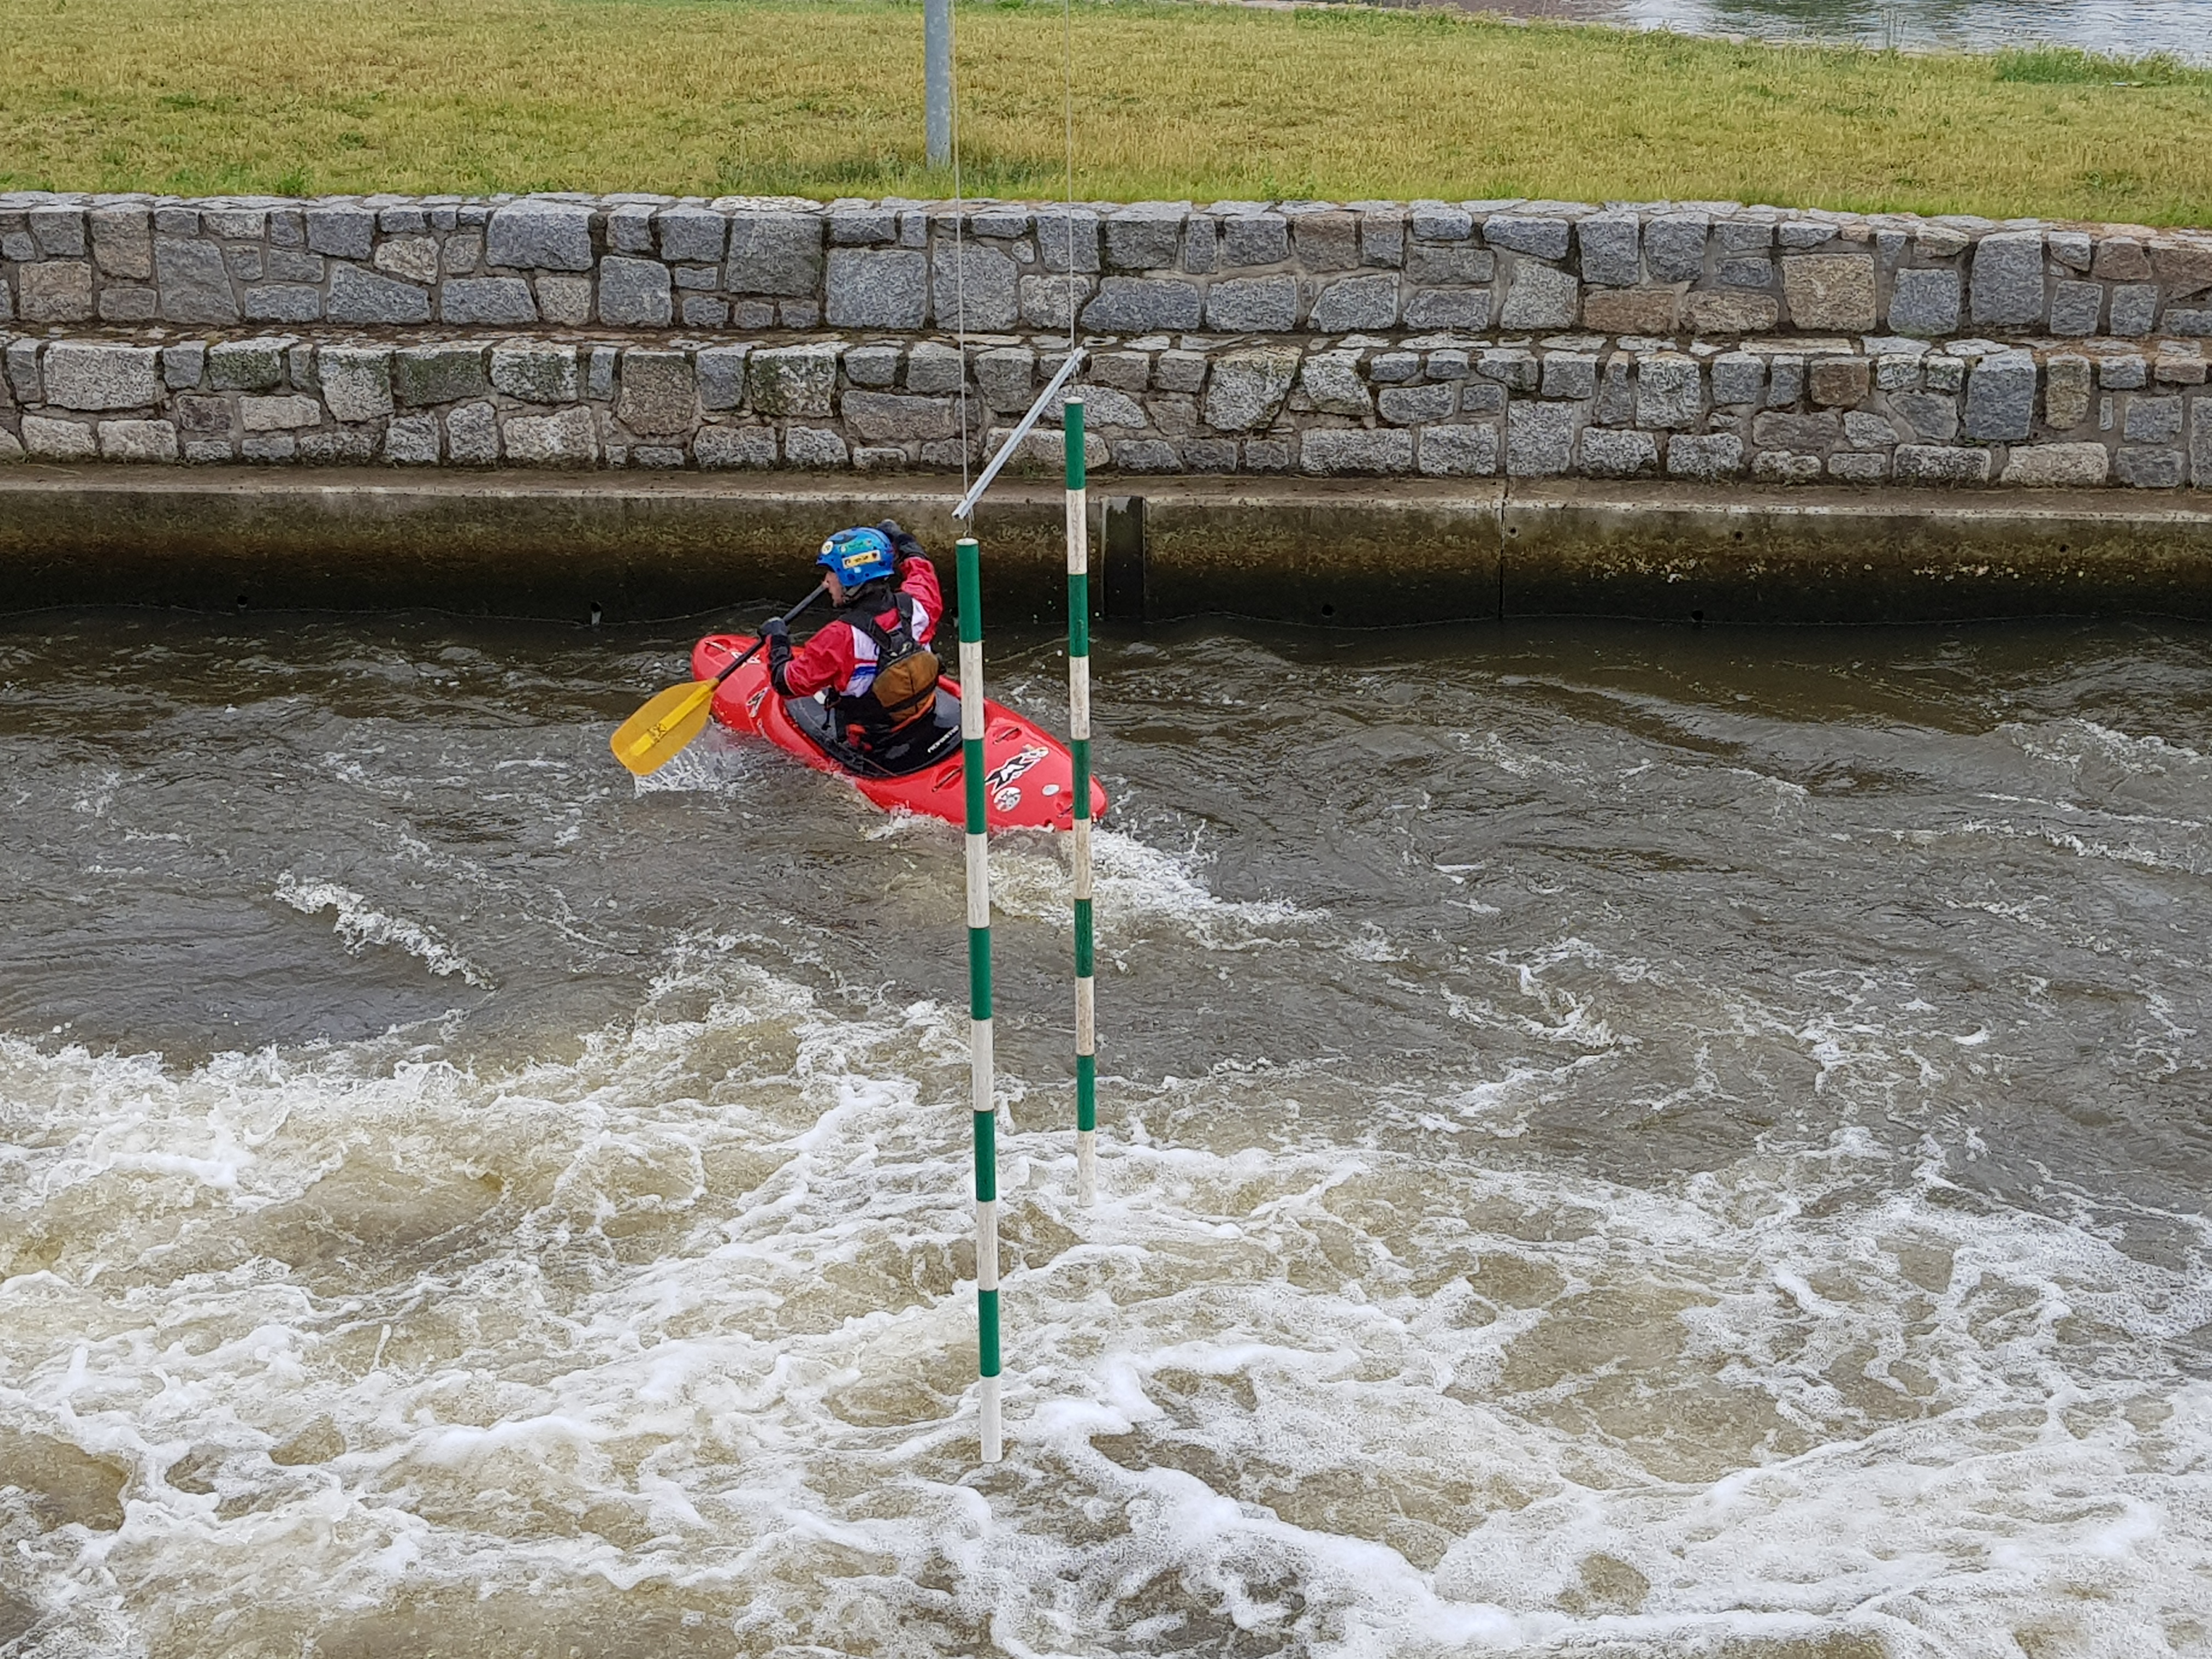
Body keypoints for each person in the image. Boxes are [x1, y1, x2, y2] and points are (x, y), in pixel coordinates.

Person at [760, 522, 954, 774]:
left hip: (877, 744)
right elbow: (919, 563)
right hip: (928, 714)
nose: (826, 583)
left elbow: (786, 684)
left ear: (849, 579)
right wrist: (899, 537)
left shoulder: (838, 638)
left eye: (831, 573)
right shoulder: (920, 602)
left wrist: (777, 639)